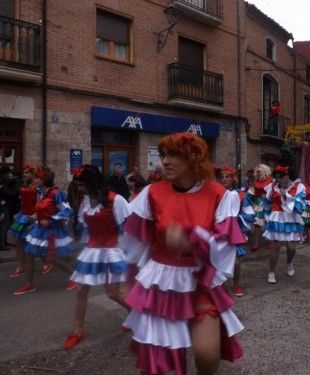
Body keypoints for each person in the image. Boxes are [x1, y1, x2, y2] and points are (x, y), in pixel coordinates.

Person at [122, 132, 244, 375]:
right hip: (161, 284)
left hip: (200, 281)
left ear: (193, 158)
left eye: (173, 155)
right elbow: (135, 242)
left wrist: (192, 243)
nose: (165, 161)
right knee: (155, 361)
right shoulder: (152, 193)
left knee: (208, 354)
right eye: (164, 155)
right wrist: (123, 271)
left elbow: (225, 249)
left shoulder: (219, 195)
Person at [64, 165, 131, 350]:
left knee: (113, 293)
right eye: (77, 185)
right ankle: (77, 331)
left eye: (82, 184)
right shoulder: (85, 202)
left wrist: (127, 254)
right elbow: (86, 227)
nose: (79, 188)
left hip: (112, 250)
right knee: (80, 291)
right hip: (92, 251)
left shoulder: (115, 200)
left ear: (93, 182)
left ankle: (136, 314)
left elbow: (128, 228)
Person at [14, 167, 75, 295]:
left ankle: (74, 276)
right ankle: (29, 284)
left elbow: (68, 211)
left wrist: (50, 219)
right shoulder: (40, 192)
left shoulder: (56, 193)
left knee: (50, 257)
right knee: (29, 253)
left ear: (44, 179)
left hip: (53, 230)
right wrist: (35, 216)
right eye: (35, 177)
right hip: (40, 229)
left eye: (37, 178)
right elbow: (41, 209)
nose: (34, 180)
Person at [263, 165, 306, 284]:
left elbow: (300, 204)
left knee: (291, 247)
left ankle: (289, 262)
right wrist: (267, 216)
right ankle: (271, 272)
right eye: (276, 177)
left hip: (291, 219)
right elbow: (266, 202)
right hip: (276, 218)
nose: (278, 179)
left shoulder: (298, 187)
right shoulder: (272, 186)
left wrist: (285, 195)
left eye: (280, 177)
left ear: (287, 176)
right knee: (275, 247)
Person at [9, 164, 51, 278]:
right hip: (24, 215)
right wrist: (19, 212)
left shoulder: (37, 187)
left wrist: (37, 215)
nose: (24, 174)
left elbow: (41, 202)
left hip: (33, 217)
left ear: (33, 175)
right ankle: (22, 266)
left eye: (27, 173)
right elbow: (24, 201)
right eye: (24, 173)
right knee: (18, 241)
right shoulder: (25, 184)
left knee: (34, 242)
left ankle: (47, 262)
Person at [219, 165, 255, 297]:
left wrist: (237, 219)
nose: (224, 179)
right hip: (218, 230)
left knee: (236, 261)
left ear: (233, 178)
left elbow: (250, 213)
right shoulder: (216, 193)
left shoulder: (240, 195)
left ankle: (236, 284)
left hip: (234, 230)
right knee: (218, 259)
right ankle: (219, 285)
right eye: (221, 177)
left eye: (227, 177)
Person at [246, 164, 272, 251]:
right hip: (257, 203)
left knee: (269, 222)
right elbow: (252, 191)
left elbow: (273, 192)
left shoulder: (270, 180)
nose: (258, 171)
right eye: (257, 170)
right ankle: (256, 243)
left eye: (260, 169)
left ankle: (270, 241)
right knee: (257, 223)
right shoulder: (255, 181)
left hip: (268, 203)